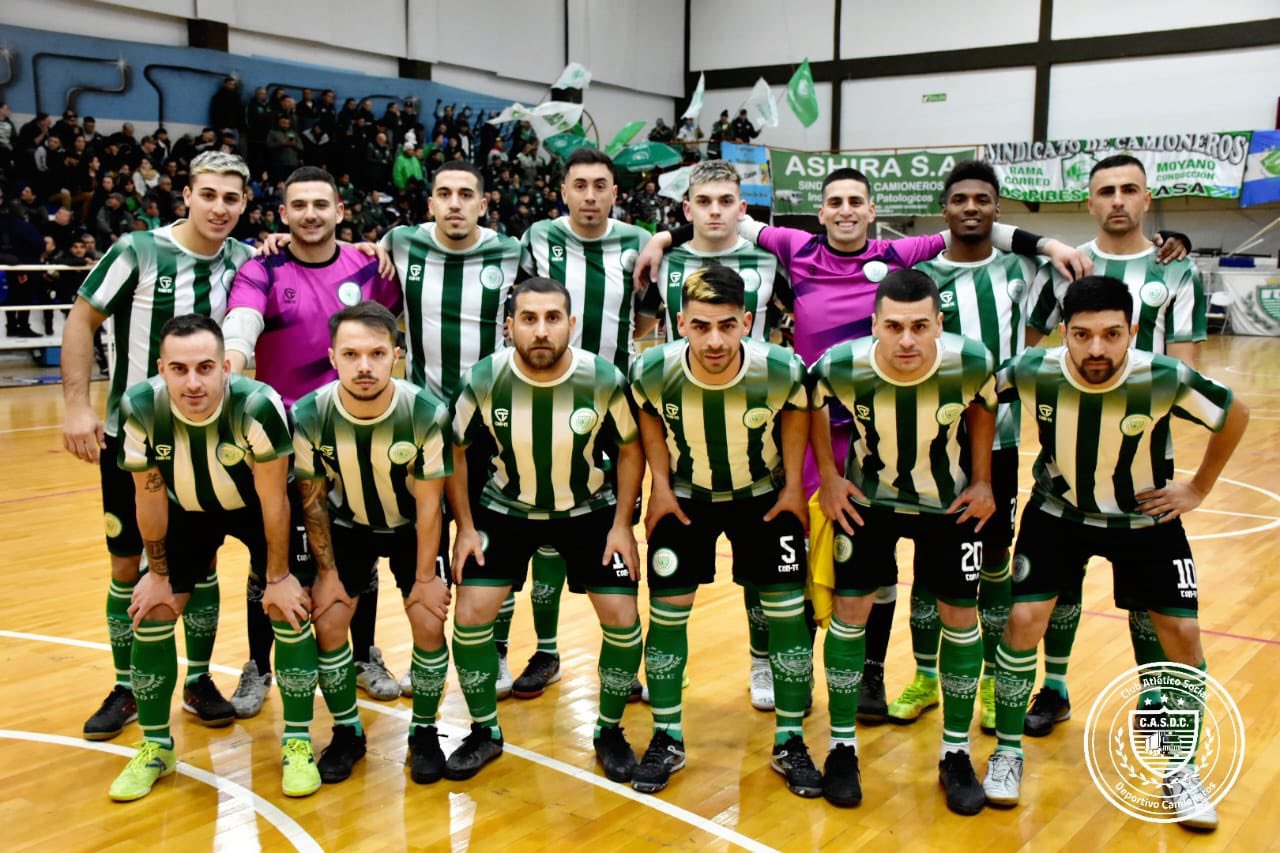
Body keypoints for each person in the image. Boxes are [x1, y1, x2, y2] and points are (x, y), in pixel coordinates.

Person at [636, 166, 1085, 723]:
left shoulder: (897, 254)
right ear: (820, 213)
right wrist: (663, 237)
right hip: (809, 424)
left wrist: (1047, 244)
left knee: (877, 557)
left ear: (873, 211)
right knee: (797, 547)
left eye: (856, 201)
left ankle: (871, 671)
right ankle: (786, 664)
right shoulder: (794, 247)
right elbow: (726, 221)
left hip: (881, 433)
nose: (845, 210)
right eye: (835, 202)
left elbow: (970, 225)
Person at [982, 276, 1248, 831]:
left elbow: (1234, 413)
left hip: (1144, 517)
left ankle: (1181, 770)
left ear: (1132, 330)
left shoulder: (1164, 376)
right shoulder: (1033, 370)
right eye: (1082, 335)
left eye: (1110, 334)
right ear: (1063, 333)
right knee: (1024, 620)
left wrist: (1198, 488)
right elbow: (980, 400)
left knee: (1182, 634)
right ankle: (1007, 752)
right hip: (1059, 513)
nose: (1096, 348)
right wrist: (982, 476)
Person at [62, 151, 254, 743]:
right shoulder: (138, 251)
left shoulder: (245, 260)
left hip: (207, 442)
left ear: (245, 204)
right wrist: (77, 405)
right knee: (127, 564)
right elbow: (81, 319)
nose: (219, 207)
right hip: (133, 438)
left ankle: (197, 679)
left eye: (231, 198)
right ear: (187, 196)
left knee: (202, 561)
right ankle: (126, 686)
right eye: (208, 194)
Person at [1019, 154, 1205, 737]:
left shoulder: (1178, 270)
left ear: (1148, 198)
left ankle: (1158, 699)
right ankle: (1054, 688)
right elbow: (1029, 348)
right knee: (1058, 588)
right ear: (1090, 201)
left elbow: (1187, 372)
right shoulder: (1064, 267)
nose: (1118, 200)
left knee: (1151, 599)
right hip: (1065, 467)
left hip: (1142, 469)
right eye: (1106, 191)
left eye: (1129, 189)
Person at [810, 269, 998, 814]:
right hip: (869, 500)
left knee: (960, 616)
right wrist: (829, 476)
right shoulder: (840, 364)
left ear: (939, 323)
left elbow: (984, 406)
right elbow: (811, 403)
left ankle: (955, 753)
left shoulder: (973, 362)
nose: (907, 340)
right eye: (894, 326)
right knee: (851, 611)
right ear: (875, 325)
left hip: (948, 503)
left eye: (919, 326)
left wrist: (983, 480)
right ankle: (841, 748)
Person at [629, 265, 819, 797]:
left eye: (727, 326)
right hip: (686, 499)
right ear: (680, 324)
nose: (714, 340)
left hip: (762, 496)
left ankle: (790, 740)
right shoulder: (652, 369)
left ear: (747, 322)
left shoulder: (780, 368)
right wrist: (659, 485)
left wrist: (793, 489)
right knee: (668, 613)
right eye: (701, 326)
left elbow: (797, 415)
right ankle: (667, 736)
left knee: (786, 614)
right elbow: (648, 416)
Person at [445, 277, 645, 783]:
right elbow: (456, 451)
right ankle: (485, 731)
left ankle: (609, 730)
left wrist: (623, 525)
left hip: (588, 509)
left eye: (553, 318)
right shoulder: (484, 377)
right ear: (509, 325)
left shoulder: (603, 378)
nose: (541, 331)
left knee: (623, 618)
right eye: (529, 319)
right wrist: (465, 527)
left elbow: (630, 448)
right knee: (470, 614)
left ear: (571, 324)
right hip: (505, 509)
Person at [222, 166, 402, 716]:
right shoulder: (262, 267)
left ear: (340, 211)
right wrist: (230, 362)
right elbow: (242, 321)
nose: (310, 215)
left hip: (354, 435)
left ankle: (364, 655)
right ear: (282, 214)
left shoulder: (371, 267)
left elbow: (394, 331)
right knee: (269, 554)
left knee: (358, 549)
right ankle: (258, 666)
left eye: (321, 204)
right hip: (279, 441)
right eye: (298, 205)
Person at [106, 315, 304, 801]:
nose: (193, 382)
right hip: (188, 510)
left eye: (205, 367)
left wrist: (278, 576)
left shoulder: (257, 406)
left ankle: (297, 743)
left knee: (290, 608)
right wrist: (158, 573)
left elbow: (275, 500)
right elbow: (148, 495)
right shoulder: (140, 407)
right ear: (161, 369)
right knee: (153, 609)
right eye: (179, 369)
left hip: (257, 509)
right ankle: (156, 748)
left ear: (226, 368)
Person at [290, 301, 454, 785]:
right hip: (348, 527)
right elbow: (313, 501)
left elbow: (431, 506)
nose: (364, 366)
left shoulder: (425, 412)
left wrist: (425, 578)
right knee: (329, 621)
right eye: (351, 354)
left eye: (377, 354)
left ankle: (424, 732)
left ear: (396, 355)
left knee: (428, 621)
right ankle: (347, 732)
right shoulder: (310, 413)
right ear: (332, 357)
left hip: (412, 528)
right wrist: (326, 574)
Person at [510, 148, 653, 700]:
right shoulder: (538, 238)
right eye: (580, 186)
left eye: (600, 186)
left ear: (615, 193)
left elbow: (646, 315)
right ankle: (546, 652)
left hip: (611, 412)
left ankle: (622, 662)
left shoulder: (638, 241)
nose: (590, 196)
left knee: (617, 534)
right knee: (546, 535)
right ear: (563, 192)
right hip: (544, 405)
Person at [379, 159, 523, 696]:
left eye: (466, 194)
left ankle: (496, 651)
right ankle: (427, 654)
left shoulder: (511, 251)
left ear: (483, 204)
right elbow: (359, 252)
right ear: (431, 204)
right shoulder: (402, 242)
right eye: (445, 193)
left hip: (491, 427)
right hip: (425, 427)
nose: (455, 203)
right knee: (424, 546)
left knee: (494, 543)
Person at [653, 159, 789, 711]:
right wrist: (663, 238)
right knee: (674, 575)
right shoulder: (663, 260)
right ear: (687, 209)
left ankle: (762, 661)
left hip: (757, 434)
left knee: (759, 573)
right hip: (684, 436)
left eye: (725, 201)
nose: (715, 211)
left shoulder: (770, 259)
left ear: (742, 207)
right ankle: (669, 669)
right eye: (704, 202)